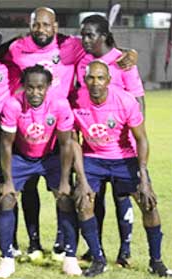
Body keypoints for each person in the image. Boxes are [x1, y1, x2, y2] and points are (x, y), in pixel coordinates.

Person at [71, 61, 172, 277]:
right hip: (92, 158)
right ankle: (98, 260)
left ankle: (156, 261)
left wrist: (143, 177)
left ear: (108, 80)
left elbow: (141, 139)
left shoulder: (125, 100)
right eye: (91, 78)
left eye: (100, 78)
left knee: (149, 204)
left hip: (124, 159)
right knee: (83, 203)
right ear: (84, 80)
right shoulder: (76, 100)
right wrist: (81, 179)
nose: (95, 82)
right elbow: (73, 141)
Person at [0, 66, 79, 277]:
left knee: (66, 198)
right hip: (21, 157)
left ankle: (70, 257)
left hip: (50, 158)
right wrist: (8, 181)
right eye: (30, 88)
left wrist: (65, 180)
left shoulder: (59, 104)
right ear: (23, 87)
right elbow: (5, 145)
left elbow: (66, 144)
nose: (35, 93)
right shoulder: (13, 105)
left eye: (40, 88)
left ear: (48, 87)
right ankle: (6, 259)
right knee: (6, 199)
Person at [75, 15, 146, 266]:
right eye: (82, 34)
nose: (84, 39)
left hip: (123, 145)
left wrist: (137, 145)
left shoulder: (122, 61)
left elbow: (138, 99)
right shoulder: (83, 59)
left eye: (89, 35)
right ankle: (97, 250)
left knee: (122, 197)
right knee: (95, 198)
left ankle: (125, 250)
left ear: (103, 36)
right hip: (94, 143)